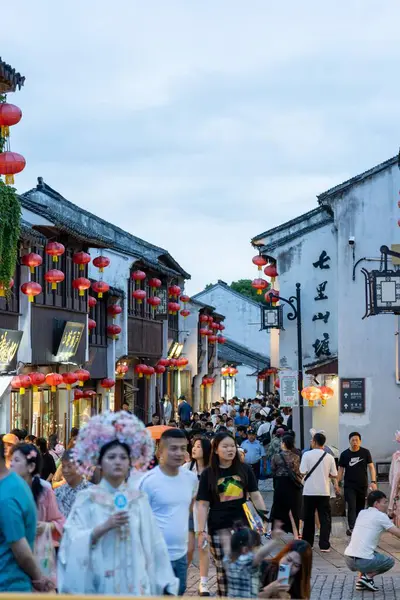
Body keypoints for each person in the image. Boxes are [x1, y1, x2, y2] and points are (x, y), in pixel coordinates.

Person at [58, 410, 178, 595]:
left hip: (134, 583)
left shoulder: (138, 499)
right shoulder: (87, 499)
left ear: (130, 462)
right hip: (97, 584)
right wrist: (102, 528)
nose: (118, 462)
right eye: (111, 457)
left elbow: (155, 544)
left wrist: (165, 582)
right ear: (99, 462)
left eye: (123, 458)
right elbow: (71, 540)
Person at [196, 431, 268, 596]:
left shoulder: (244, 469)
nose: (230, 450)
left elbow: (256, 495)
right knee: (223, 572)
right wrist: (201, 531)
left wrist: (263, 518)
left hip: (243, 527)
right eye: (225, 446)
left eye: (232, 446)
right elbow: (203, 504)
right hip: (218, 528)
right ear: (215, 450)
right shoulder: (208, 473)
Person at [139, 428, 198, 595]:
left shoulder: (191, 479)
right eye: (173, 448)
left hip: (180, 554)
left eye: (182, 448)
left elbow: (188, 509)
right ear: (160, 452)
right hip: (154, 555)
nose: (179, 453)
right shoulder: (148, 481)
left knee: (178, 592)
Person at [0, 437, 54, 592]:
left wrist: (39, 578)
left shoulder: (6, 497)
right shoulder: (16, 484)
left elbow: (20, 548)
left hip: (8, 585)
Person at [10, 443, 65, 584]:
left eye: (16, 460)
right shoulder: (7, 489)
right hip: (10, 555)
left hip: (39, 554)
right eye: (11, 460)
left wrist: (46, 526)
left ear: (31, 467)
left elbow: (59, 521)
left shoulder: (44, 490)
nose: (11, 464)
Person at [345, 490, 400, 592]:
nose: (386, 505)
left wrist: (389, 517)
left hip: (349, 559)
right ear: (376, 503)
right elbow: (397, 533)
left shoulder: (362, 513)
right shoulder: (380, 516)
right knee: (389, 561)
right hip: (362, 562)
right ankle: (366, 578)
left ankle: (361, 583)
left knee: (369, 553)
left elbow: (375, 521)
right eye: (384, 502)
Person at [300, 432, 339, 552]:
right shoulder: (329, 457)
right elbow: (334, 474)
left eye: (312, 440)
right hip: (324, 491)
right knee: (325, 518)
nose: (311, 442)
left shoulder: (306, 455)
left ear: (315, 442)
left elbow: (302, 471)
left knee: (309, 517)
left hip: (309, 491)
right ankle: (324, 544)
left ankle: (308, 543)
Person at [224, 522, 285, 598]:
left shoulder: (227, 560)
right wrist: (275, 540)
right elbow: (261, 554)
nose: (257, 550)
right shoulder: (245, 563)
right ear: (245, 549)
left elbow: (226, 543)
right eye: (255, 548)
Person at [183, 437, 212, 596]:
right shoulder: (187, 467)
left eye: (198, 446)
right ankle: (181, 579)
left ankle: (204, 582)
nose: (194, 449)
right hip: (188, 512)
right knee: (188, 549)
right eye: (193, 446)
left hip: (206, 514)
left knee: (203, 547)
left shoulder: (212, 470)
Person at [338, 431, 377, 536]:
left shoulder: (365, 452)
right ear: (349, 441)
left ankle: (359, 527)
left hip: (362, 485)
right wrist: (337, 483)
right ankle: (352, 528)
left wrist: (373, 481)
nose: (355, 442)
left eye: (357, 440)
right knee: (351, 506)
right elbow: (341, 470)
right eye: (353, 440)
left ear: (360, 441)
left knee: (360, 507)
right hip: (349, 485)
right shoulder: (344, 454)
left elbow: (371, 467)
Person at [270, 434, 302, 534]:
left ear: (283, 444)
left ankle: (275, 530)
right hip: (292, 484)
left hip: (280, 484)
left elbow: (273, 470)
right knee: (295, 508)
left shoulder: (276, 456)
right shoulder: (296, 457)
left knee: (278, 507)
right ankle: (296, 531)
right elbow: (298, 471)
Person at [54, 449, 90, 517]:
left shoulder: (91, 491)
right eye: (63, 467)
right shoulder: (58, 492)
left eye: (69, 466)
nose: (65, 470)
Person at [389, 430, 400, 526]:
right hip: (397, 483)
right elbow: (392, 472)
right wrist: (393, 484)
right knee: (397, 503)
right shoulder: (396, 456)